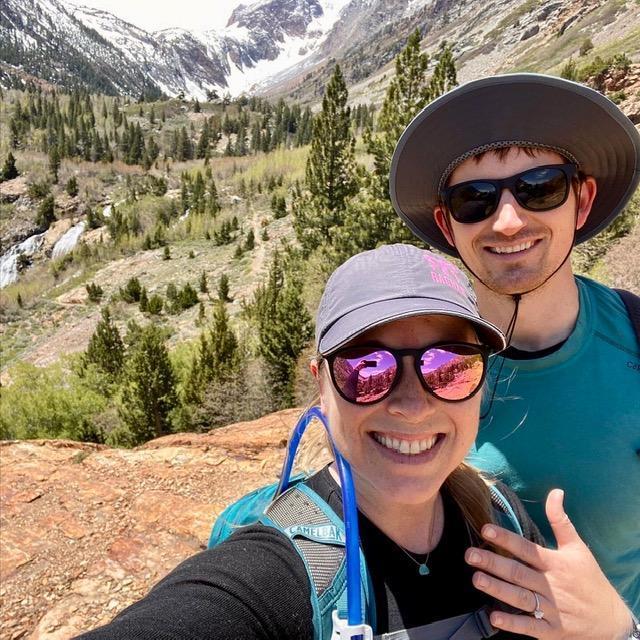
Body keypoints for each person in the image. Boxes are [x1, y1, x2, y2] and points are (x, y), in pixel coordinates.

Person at [77, 244, 636, 640]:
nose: (414, 404)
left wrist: (615, 629)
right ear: (322, 385)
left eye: (448, 366)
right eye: (368, 369)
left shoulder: (504, 521)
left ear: (480, 381)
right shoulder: (279, 572)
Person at [389, 73, 640, 618]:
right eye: (474, 199)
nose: (507, 221)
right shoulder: (408, 362)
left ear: (582, 200)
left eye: (540, 187)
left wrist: (621, 629)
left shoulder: (636, 340)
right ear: (447, 224)